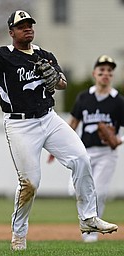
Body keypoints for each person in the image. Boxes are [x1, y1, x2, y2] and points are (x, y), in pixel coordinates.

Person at [0, 10, 118, 251]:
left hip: (49, 118)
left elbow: (62, 83)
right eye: (21, 25)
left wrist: (55, 77)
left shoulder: (44, 55)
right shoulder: (3, 56)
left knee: (81, 158)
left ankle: (88, 218)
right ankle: (18, 234)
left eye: (29, 24)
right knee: (30, 183)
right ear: (11, 32)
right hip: (20, 124)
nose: (27, 28)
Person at [48, 55, 124, 243]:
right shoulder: (84, 97)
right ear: (94, 74)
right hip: (85, 151)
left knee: (99, 192)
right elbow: (72, 123)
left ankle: (90, 235)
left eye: (109, 71)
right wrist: (55, 147)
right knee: (81, 191)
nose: (105, 74)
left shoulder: (118, 101)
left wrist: (119, 140)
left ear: (112, 75)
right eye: (102, 71)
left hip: (107, 154)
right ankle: (78, 191)